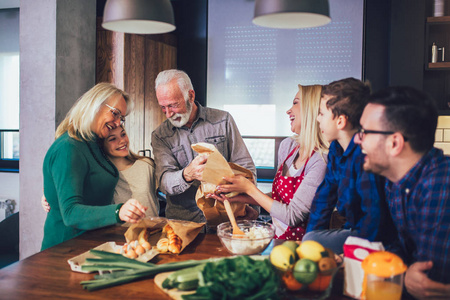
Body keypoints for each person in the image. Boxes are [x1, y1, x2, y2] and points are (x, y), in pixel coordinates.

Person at [355, 86, 450, 298]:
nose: (357, 140)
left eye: (364, 132)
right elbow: (403, 247)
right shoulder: (397, 181)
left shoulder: (440, 184)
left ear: (394, 143)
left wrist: (400, 274)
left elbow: (430, 281)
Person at [212, 84, 328, 240]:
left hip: (304, 246)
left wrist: (249, 188)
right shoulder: (288, 147)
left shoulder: (321, 160)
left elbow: (292, 216)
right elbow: (279, 198)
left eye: (295, 103)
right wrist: (237, 197)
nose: (288, 110)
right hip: (277, 240)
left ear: (311, 109)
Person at [41, 83, 147, 250]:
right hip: (64, 249)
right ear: (94, 105)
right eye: (115, 113)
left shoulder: (94, 142)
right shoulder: (69, 147)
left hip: (92, 243)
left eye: (122, 118)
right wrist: (118, 212)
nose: (119, 123)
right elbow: (70, 213)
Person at [303, 78, 397, 254]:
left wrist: (353, 255)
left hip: (377, 238)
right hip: (354, 230)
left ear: (340, 121)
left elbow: (374, 217)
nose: (317, 119)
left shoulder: (365, 156)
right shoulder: (336, 149)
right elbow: (325, 196)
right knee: (310, 240)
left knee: (313, 241)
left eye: (322, 114)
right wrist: (310, 243)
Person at [151, 69, 258, 224]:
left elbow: (246, 167)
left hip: (226, 219)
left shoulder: (223, 120)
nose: (168, 114)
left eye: (173, 105)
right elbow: (164, 182)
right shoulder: (160, 136)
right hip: (185, 224)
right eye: (163, 107)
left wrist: (246, 201)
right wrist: (188, 174)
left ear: (191, 96)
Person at [42, 125, 160, 218]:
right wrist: (48, 196)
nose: (122, 141)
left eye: (123, 134)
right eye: (112, 139)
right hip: (117, 238)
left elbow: (166, 191)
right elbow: (70, 192)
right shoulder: (99, 174)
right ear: (101, 145)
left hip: (152, 232)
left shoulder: (146, 165)